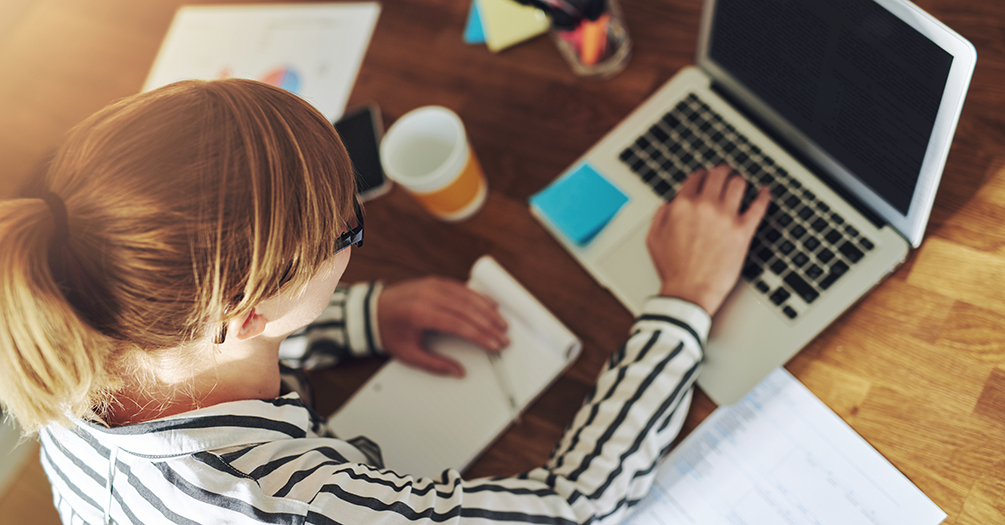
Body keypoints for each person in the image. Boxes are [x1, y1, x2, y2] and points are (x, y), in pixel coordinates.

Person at [0, 79, 769, 525]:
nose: (356, 235)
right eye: (350, 230)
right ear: (251, 312)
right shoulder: (300, 506)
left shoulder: (66, 334)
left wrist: (363, 314)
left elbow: (203, 342)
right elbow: (573, 504)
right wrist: (685, 297)